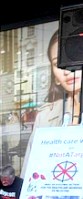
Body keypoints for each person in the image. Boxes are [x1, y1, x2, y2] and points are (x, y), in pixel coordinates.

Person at [25, 30, 82, 158]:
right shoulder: (44, 117)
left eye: (74, 57)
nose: (67, 71)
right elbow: (30, 172)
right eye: (58, 64)